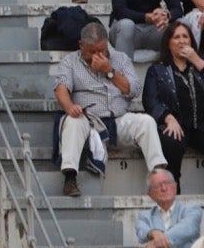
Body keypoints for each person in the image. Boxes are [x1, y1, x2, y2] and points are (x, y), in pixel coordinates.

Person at [54, 20, 168, 197]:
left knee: (146, 122)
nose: (97, 55)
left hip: (118, 119)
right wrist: (70, 107)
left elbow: (133, 90)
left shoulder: (120, 59)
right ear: (81, 46)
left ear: (107, 44)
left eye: (101, 50)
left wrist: (109, 71)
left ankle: (159, 175)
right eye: (92, 51)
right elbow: (61, 88)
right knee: (72, 121)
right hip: (89, 120)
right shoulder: (70, 61)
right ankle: (70, 178)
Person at [144, 23, 204, 186]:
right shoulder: (157, 70)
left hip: (200, 125)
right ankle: (173, 191)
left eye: (185, 37)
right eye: (176, 37)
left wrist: (197, 61)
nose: (182, 41)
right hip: (176, 125)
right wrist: (168, 117)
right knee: (171, 142)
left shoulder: (199, 66)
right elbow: (150, 101)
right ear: (168, 44)